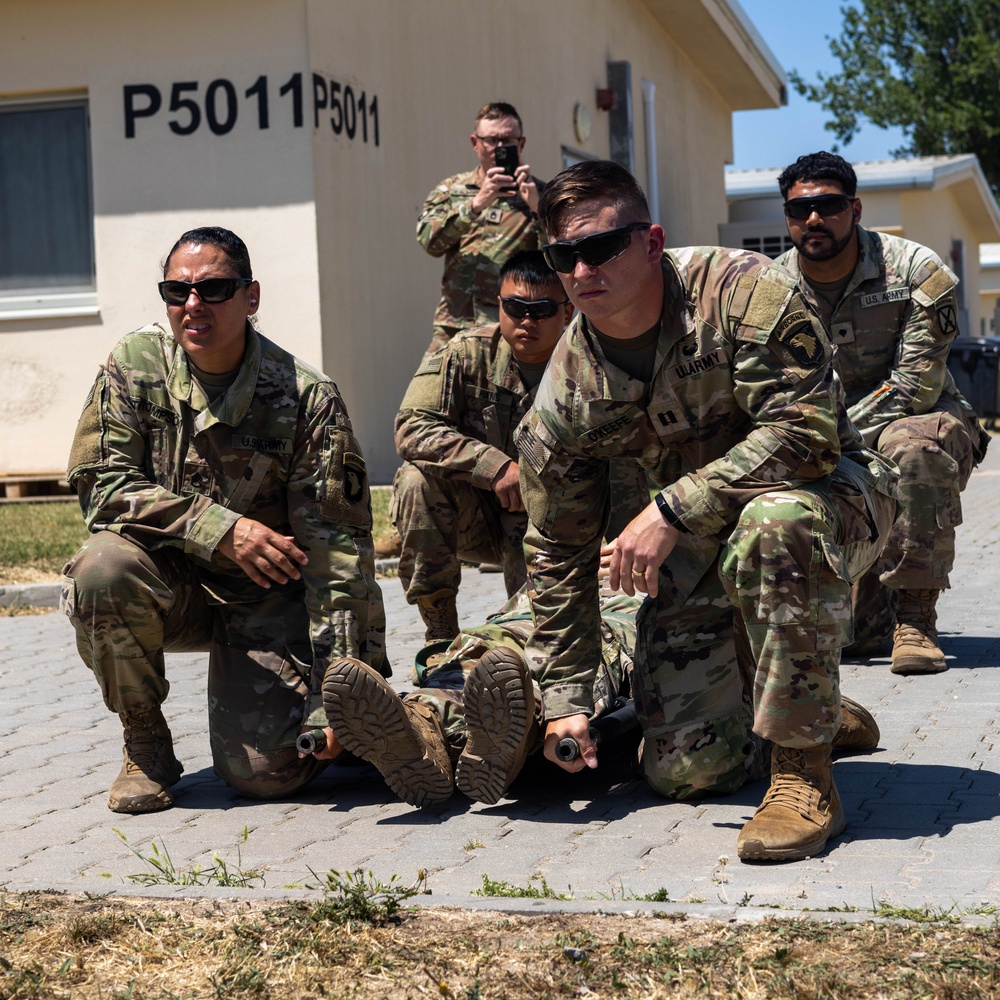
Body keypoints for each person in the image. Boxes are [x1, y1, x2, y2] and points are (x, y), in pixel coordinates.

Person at [506, 160, 898, 863]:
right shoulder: (566, 390)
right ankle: (804, 704)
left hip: (828, 501)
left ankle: (804, 776)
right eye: (562, 255)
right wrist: (566, 696)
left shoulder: (742, 291)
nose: (580, 268)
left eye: (600, 246)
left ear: (652, 243)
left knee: (774, 524)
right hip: (698, 557)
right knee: (687, 771)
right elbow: (559, 550)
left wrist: (673, 507)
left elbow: (808, 436)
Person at [61, 227, 387, 814]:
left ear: (251, 296)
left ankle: (385, 720)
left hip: (265, 599)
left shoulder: (305, 397)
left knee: (268, 776)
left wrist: (332, 690)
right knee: (100, 568)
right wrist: (220, 528)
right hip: (171, 587)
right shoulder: (135, 366)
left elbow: (338, 556)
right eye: (177, 290)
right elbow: (99, 487)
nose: (193, 305)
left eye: (214, 289)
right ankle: (146, 743)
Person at [320, 581, 881, 809]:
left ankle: (470, 741)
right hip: (528, 629)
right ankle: (424, 736)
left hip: (616, 629)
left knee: (563, 667)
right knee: (476, 666)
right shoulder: (567, 535)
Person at [775, 152, 989, 675]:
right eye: (799, 209)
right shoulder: (769, 288)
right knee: (851, 635)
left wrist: (831, 440)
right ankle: (860, 610)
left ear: (856, 209)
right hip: (819, 430)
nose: (813, 220)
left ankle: (916, 618)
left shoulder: (917, 270)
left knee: (913, 447)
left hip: (915, 418)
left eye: (828, 206)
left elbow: (916, 385)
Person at [391, 250, 574, 642]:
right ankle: (440, 634)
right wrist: (494, 467)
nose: (527, 320)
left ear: (568, 311)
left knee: (541, 635)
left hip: (555, 520)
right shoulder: (465, 353)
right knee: (413, 481)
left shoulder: (587, 363)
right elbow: (411, 426)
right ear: (499, 304)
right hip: (472, 516)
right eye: (515, 306)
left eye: (542, 309)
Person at [416, 101, 545, 353]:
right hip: (455, 326)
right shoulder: (452, 190)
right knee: (426, 392)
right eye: (491, 140)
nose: (499, 148)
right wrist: (475, 205)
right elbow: (429, 242)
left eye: (507, 139)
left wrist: (538, 210)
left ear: (521, 144)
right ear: (475, 143)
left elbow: (558, 259)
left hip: (514, 328)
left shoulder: (542, 194)